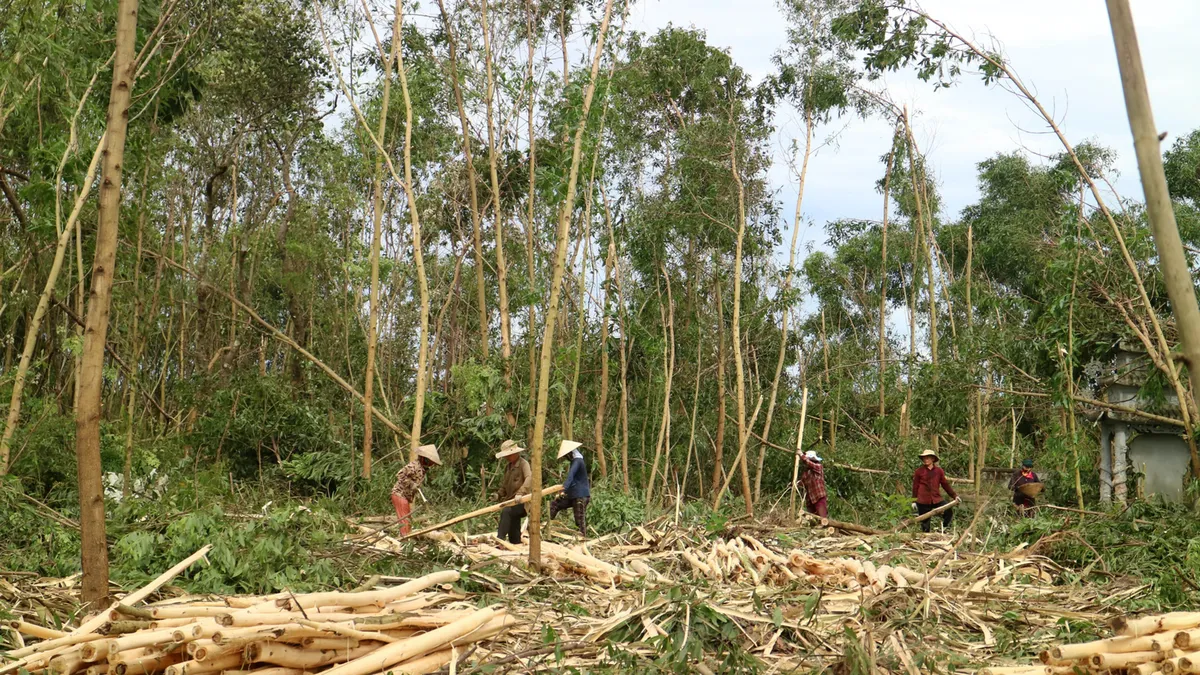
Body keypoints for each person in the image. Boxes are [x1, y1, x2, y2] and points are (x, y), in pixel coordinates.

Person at [391, 444, 441, 536]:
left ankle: (407, 536)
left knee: (407, 517)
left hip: (405, 496)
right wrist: (411, 484)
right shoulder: (414, 466)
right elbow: (400, 475)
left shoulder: (422, 469)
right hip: (399, 494)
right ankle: (405, 538)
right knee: (404, 518)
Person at [549, 440, 591, 536]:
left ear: (570, 453)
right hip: (573, 494)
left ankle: (582, 540)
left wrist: (563, 488)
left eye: (566, 455)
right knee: (555, 504)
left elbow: (570, 476)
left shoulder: (578, 461)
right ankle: (544, 527)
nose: (566, 458)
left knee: (579, 521)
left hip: (580, 495)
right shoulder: (575, 461)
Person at [495, 439, 532, 544]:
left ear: (516, 453)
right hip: (511, 501)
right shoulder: (508, 467)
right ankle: (515, 541)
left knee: (507, 512)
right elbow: (504, 485)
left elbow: (529, 478)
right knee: (513, 524)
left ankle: (500, 540)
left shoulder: (524, 464)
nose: (507, 457)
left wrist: (521, 493)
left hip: (522, 501)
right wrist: (498, 494)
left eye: (509, 455)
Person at [911, 449, 957, 533]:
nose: (925, 460)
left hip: (936, 499)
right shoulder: (919, 471)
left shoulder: (939, 471)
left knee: (948, 511)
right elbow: (915, 486)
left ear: (932, 459)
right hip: (923, 500)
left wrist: (954, 496)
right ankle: (926, 538)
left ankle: (944, 529)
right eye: (924, 458)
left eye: (927, 458)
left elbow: (945, 485)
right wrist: (914, 500)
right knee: (925, 524)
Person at [800, 450, 828, 518]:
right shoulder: (806, 473)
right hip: (810, 500)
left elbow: (809, 463)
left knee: (822, 518)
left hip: (818, 497)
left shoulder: (818, 466)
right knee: (812, 519)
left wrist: (801, 455)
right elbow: (802, 483)